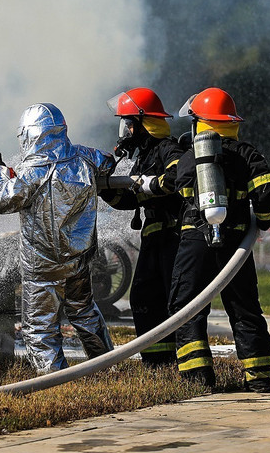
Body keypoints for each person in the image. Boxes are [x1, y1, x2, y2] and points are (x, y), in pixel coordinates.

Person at [0, 103, 116, 373]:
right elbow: (108, 162)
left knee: (40, 328)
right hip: (78, 260)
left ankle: (53, 379)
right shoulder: (83, 157)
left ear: (30, 135)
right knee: (84, 313)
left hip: (42, 267)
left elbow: (3, 199)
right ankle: (107, 367)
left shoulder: (32, 172)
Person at [166, 87, 270, 390]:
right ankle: (259, 377)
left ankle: (197, 379)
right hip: (236, 243)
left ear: (200, 123)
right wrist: (264, 222)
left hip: (195, 242)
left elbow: (179, 189)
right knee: (244, 308)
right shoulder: (248, 154)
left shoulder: (190, 158)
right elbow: (266, 195)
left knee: (187, 308)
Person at [99, 87, 185, 366]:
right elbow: (131, 199)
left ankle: (182, 360)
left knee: (176, 301)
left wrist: (151, 183)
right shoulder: (144, 156)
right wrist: (106, 189)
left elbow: (176, 178)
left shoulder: (167, 148)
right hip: (154, 238)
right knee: (144, 298)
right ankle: (157, 362)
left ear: (142, 124)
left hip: (174, 236)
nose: (124, 131)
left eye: (128, 124)